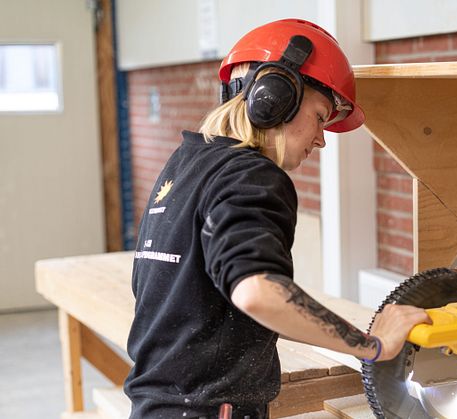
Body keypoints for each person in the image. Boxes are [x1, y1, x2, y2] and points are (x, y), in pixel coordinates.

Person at [123, 18, 429, 419]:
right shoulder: (252, 175)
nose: (321, 139)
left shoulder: (184, 165)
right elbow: (256, 293)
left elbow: (223, 298)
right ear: (274, 96)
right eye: (321, 117)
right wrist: (373, 345)